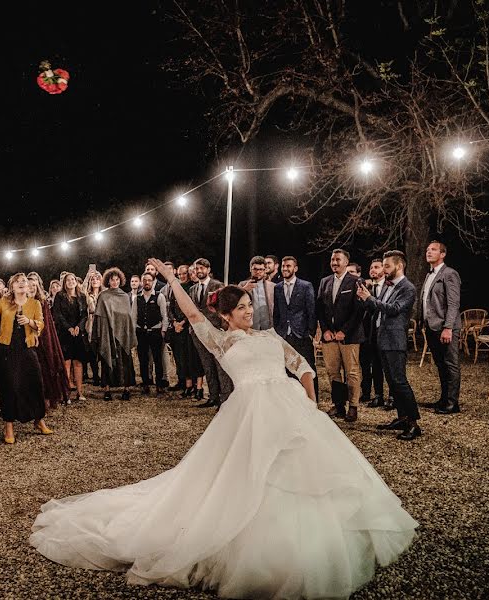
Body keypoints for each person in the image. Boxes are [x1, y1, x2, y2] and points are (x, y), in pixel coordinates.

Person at [31, 258, 418, 599]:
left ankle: (311, 544)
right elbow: (193, 313)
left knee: (309, 474)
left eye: (250, 305)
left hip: (291, 411)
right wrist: (170, 277)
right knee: (247, 476)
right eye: (243, 308)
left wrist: (309, 402)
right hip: (248, 411)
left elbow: (302, 365)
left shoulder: (269, 336)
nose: (250, 311)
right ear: (227, 315)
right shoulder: (221, 341)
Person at [0, 273, 53, 444]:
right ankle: (8, 425)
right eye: (17, 282)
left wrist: (29, 321)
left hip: (27, 348)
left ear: (28, 286)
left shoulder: (35, 304)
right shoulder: (4, 302)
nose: (21, 284)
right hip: (7, 349)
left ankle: (39, 420)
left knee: (35, 383)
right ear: (11, 286)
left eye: (24, 282)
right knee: (8, 385)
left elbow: (40, 324)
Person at [357, 251, 422, 440]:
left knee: (400, 382)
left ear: (399, 266)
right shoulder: (386, 285)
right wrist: (365, 299)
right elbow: (378, 308)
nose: (383, 270)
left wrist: (370, 298)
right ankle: (401, 417)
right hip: (382, 338)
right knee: (392, 382)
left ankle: (413, 423)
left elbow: (393, 310)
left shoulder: (407, 288)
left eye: (387, 266)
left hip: (395, 340)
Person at [316, 249, 364, 422]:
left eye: (338, 260)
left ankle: (353, 406)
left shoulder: (356, 281)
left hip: (349, 336)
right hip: (329, 337)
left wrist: (345, 331)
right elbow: (320, 308)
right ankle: (339, 406)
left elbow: (359, 311)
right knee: (332, 372)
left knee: (351, 372)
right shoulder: (325, 282)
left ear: (346, 262)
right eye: (332, 260)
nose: (334, 263)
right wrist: (326, 330)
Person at [421, 241, 462, 415]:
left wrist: (448, 328)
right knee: (440, 364)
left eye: (434, 250)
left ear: (443, 254)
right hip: (431, 327)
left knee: (451, 364)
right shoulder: (429, 274)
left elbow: (453, 304)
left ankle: (453, 403)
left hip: (446, 327)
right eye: (428, 249)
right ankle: (444, 399)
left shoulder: (450, 274)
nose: (429, 252)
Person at [272, 256, 318, 396]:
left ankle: (312, 401)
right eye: (283, 266)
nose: (285, 269)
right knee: (287, 370)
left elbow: (311, 310)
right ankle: (292, 400)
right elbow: (277, 312)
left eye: (288, 266)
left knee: (308, 369)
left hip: (302, 334)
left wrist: (311, 332)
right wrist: (278, 332)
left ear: (295, 268)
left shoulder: (305, 286)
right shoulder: (278, 287)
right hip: (284, 335)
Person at [93, 268, 137, 401]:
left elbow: (128, 318)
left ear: (120, 280)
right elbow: (99, 316)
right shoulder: (103, 296)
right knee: (107, 360)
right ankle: (107, 390)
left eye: (117, 279)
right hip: (107, 333)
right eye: (112, 280)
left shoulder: (124, 296)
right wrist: (102, 332)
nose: (115, 282)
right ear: (108, 281)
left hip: (122, 334)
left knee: (125, 360)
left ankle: (126, 389)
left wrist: (126, 332)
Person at [28, 273, 69, 408]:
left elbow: (47, 323)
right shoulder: (21, 302)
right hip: (27, 340)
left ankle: (46, 398)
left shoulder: (42, 301)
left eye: (34, 285)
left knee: (45, 368)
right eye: (29, 285)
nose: (32, 288)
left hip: (43, 339)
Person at [189, 258, 223, 408]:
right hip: (198, 333)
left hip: (215, 330)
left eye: (202, 268)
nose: (199, 271)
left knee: (219, 365)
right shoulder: (192, 289)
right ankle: (213, 396)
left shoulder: (217, 285)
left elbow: (222, 308)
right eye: (197, 268)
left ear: (208, 270)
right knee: (207, 365)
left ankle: (224, 398)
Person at [163, 265, 200, 398]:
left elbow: (192, 308)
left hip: (186, 327)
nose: (182, 276)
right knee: (179, 357)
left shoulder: (191, 288)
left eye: (184, 274)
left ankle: (192, 385)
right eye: (179, 274)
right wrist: (174, 322)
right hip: (176, 327)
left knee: (188, 356)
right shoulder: (175, 288)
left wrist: (183, 322)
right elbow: (170, 307)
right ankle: (183, 381)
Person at [52, 272, 89, 402]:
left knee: (78, 363)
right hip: (64, 333)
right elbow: (57, 315)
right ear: (64, 282)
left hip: (78, 333)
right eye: (68, 280)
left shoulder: (82, 297)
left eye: (73, 279)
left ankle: (80, 392)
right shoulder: (59, 296)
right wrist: (69, 328)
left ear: (76, 281)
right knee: (66, 363)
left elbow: (85, 314)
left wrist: (79, 326)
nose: (71, 281)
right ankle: (66, 394)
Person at [132, 271, 169, 394]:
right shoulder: (137, 298)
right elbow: (134, 316)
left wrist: (163, 330)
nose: (147, 282)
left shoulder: (159, 296)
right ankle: (146, 383)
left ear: (153, 282)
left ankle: (159, 384)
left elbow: (164, 316)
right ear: (142, 283)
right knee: (143, 359)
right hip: (141, 332)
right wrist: (134, 332)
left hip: (155, 331)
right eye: (145, 280)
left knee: (157, 359)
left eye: (149, 280)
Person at [360, 258, 387, 409]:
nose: (373, 270)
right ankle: (378, 395)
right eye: (371, 267)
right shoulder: (369, 289)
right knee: (375, 364)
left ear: (384, 269)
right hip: (373, 331)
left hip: (386, 330)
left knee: (387, 365)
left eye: (377, 267)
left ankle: (392, 397)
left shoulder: (389, 287)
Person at [238, 256, 275, 331]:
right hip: (249, 327)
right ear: (250, 269)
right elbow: (234, 301)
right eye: (255, 269)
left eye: (261, 269)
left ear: (265, 270)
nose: (258, 272)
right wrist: (245, 289)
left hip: (268, 327)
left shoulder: (272, 286)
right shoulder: (242, 285)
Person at [82, 270, 104, 385]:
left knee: (102, 349)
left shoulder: (104, 293)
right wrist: (87, 277)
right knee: (92, 351)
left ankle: (104, 375)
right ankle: (96, 375)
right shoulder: (87, 294)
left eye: (97, 278)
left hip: (102, 323)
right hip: (90, 323)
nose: (95, 281)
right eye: (93, 279)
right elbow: (82, 289)